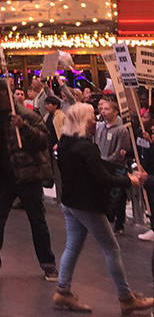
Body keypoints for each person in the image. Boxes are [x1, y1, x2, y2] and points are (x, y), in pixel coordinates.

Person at [52, 103, 154, 314]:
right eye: (91, 118)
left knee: (72, 246)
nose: (95, 122)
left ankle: (63, 290)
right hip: (87, 205)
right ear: (83, 122)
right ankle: (125, 297)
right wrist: (129, 181)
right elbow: (102, 178)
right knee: (111, 248)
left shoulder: (64, 143)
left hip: (70, 202)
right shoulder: (86, 147)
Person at [0, 77, 57, 280]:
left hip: (27, 177)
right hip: (2, 178)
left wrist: (23, 127)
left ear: (5, 92)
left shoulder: (26, 115)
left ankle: (48, 264)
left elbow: (44, 141)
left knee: (37, 221)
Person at [96, 98, 132, 234]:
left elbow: (120, 151)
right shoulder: (100, 128)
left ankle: (120, 223)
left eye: (107, 109)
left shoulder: (121, 130)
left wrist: (108, 161)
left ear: (115, 112)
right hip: (102, 164)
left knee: (118, 195)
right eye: (102, 109)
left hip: (116, 167)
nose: (103, 111)